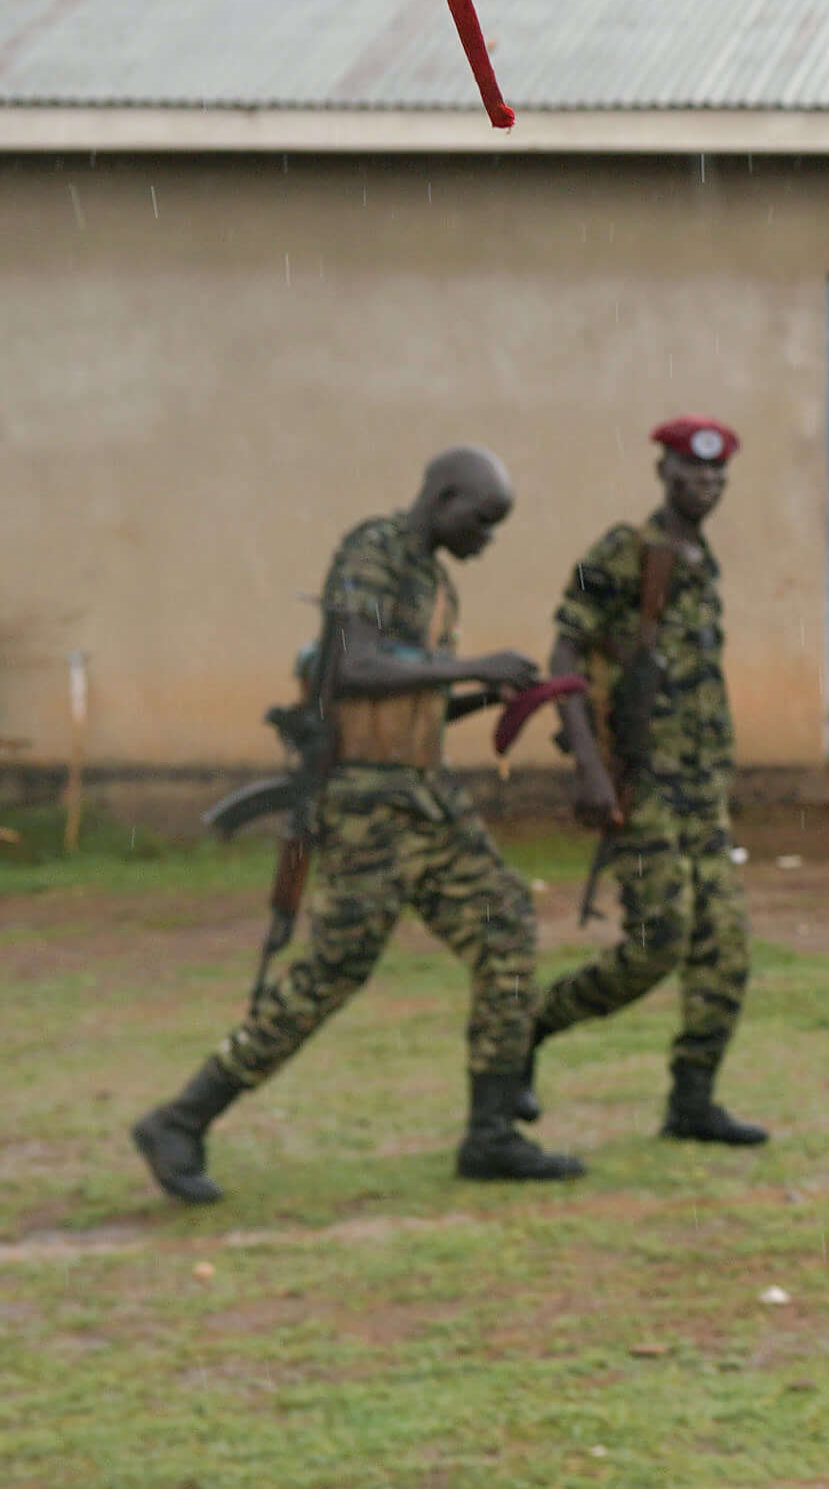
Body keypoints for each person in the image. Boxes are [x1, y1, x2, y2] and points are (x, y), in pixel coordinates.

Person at [130, 446, 582, 1202]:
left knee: (504, 921)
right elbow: (354, 666)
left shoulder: (434, 582)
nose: (486, 539)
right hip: (366, 801)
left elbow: (407, 696)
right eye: (481, 519)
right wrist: (472, 667)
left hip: (423, 792)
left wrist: (486, 696)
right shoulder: (373, 553)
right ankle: (180, 1119)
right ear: (441, 496)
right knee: (332, 970)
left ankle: (493, 1132)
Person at [526, 416, 770, 1147]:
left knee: (725, 949)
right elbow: (563, 654)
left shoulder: (702, 557)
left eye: (719, 475)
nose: (708, 485)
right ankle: (528, 1031)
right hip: (645, 786)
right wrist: (591, 771)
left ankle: (691, 1101)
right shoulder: (623, 550)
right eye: (694, 472)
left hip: (701, 789)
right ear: (664, 472)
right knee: (657, 942)